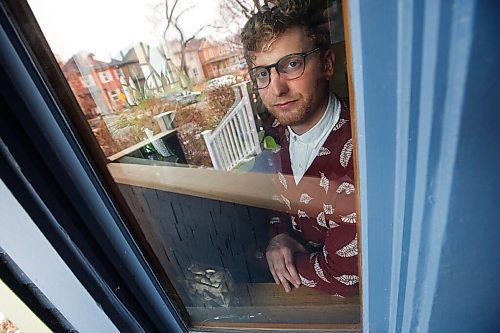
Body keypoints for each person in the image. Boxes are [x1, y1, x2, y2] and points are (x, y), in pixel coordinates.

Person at [241, 0, 358, 297]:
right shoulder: (276, 133)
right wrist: (279, 236)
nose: (276, 89)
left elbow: (345, 276)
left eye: (292, 64)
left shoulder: (359, 156)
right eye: (263, 74)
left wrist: (292, 260)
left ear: (327, 64)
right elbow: (278, 200)